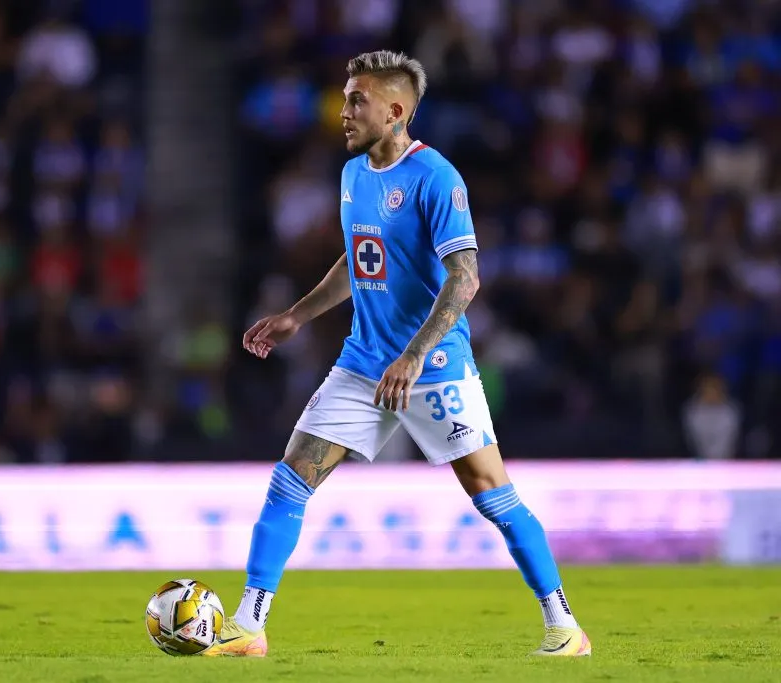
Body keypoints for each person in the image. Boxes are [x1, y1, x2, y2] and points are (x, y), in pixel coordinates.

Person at [204, 51, 590, 658]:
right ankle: (249, 627)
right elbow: (359, 257)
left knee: (492, 494)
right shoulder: (353, 174)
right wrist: (296, 316)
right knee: (289, 481)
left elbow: (466, 278)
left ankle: (564, 625)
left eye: (357, 100)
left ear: (395, 111)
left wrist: (412, 356)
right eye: (344, 98)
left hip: (432, 369)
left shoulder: (436, 177)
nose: (343, 111)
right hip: (363, 363)